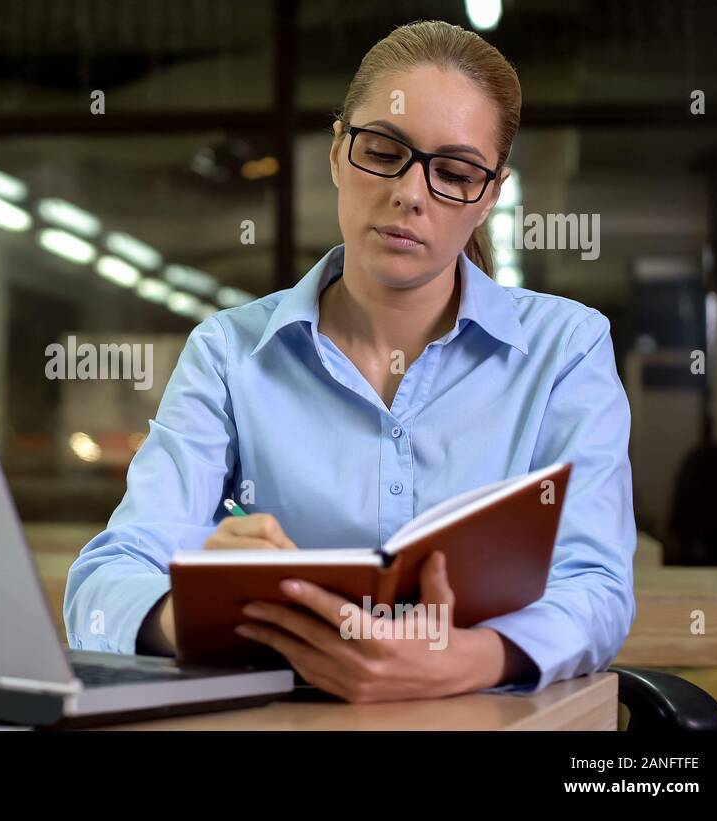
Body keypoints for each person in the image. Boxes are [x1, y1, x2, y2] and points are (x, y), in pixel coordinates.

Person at [63, 20, 636, 702]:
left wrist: (467, 660)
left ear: (488, 195)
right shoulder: (228, 352)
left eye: (454, 173)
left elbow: (597, 585)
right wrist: (195, 609)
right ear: (337, 153)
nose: (411, 193)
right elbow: (103, 586)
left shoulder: (566, 348)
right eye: (384, 151)